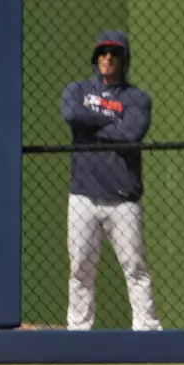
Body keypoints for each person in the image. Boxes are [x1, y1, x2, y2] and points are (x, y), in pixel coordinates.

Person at [60, 30, 163, 332]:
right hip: (83, 197)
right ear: (96, 58)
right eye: (103, 52)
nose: (108, 57)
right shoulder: (77, 89)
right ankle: (78, 330)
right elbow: (70, 114)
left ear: (123, 59)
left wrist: (91, 127)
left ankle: (147, 330)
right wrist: (112, 121)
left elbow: (131, 133)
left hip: (123, 198)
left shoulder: (137, 98)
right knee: (80, 269)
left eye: (114, 53)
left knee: (135, 268)